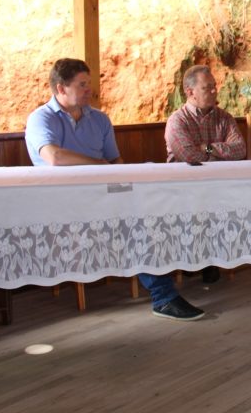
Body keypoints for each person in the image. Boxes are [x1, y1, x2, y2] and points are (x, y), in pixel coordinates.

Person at [25, 58, 204, 321]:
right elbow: (54, 158)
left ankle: (174, 286)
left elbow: (117, 163)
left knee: (153, 211)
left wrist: (128, 185)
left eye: (89, 83)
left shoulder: (99, 119)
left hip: (103, 196)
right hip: (61, 203)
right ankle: (164, 297)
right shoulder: (41, 118)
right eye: (82, 84)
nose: (90, 89)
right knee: (136, 221)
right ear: (61, 89)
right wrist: (97, 164)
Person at [165, 64, 247, 283]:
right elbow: (188, 155)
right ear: (190, 92)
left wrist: (208, 148)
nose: (214, 91)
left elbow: (240, 150)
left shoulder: (224, 117)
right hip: (183, 188)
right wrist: (220, 153)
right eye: (207, 87)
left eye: (214, 86)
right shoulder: (177, 121)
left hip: (218, 187)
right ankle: (194, 261)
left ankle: (214, 259)